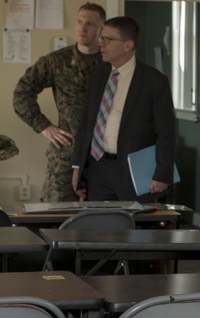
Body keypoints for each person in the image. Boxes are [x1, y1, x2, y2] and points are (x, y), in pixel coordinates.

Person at [70, 16, 176, 202]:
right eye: (101, 38)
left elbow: (166, 132)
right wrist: (78, 167)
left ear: (128, 45)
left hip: (134, 170)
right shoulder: (98, 73)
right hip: (98, 168)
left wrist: (162, 173)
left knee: (134, 229)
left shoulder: (154, 81)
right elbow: (87, 122)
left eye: (108, 39)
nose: (101, 44)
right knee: (99, 227)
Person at [13, 2, 105, 202]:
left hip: (103, 155)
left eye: (90, 23)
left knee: (103, 217)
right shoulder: (57, 61)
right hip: (67, 153)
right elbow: (22, 92)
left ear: (101, 29)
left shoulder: (110, 62)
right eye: (80, 22)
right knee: (55, 214)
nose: (83, 28)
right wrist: (44, 126)